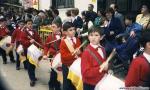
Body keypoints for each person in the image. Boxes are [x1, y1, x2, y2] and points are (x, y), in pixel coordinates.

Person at [20, 19, 43, 87]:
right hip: (27, 51)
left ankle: (33, 76)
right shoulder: (23, 32)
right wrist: (29, 42)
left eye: (31, 24)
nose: (30, 25)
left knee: (34, 64)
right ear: (26, 25)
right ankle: (32, 79)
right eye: (28, 24)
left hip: (35, 51)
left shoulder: (35, 31)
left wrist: (41, 46)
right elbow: (22, 42)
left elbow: (39, 39)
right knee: (30, 65)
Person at [60, 22, 81, 90]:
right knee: (67, 84)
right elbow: (63, 56)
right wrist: (75, 54)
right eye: (70, 30)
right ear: (65, 32)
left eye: (74, 29)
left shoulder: (77, 40)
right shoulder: (63, 42)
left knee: (74, 83)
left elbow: (80, 53)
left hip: (76, 65)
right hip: (67, 66)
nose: (73, 31)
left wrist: (80, 52)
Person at [43, 21, 62, 90]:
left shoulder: (63, 36)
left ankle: (54, 85)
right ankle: (53, 85)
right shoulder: (50, 36)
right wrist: (45, 54)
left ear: (59, 28)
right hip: (52, 56)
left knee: (59, 71)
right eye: (52, 26)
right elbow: (46, 46)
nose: (52, 28)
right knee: (54, 71)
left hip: (60, 57)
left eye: (54, 27)